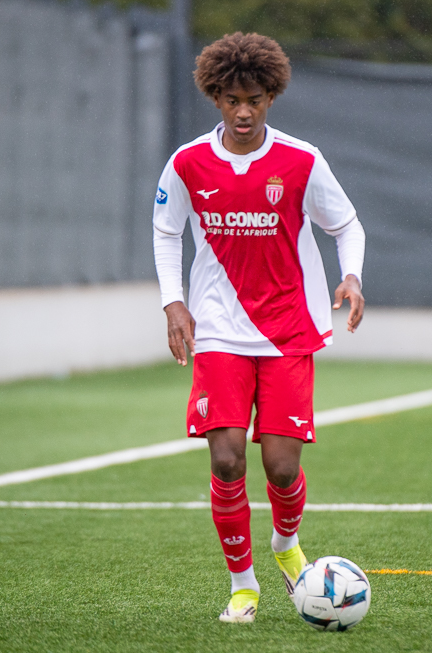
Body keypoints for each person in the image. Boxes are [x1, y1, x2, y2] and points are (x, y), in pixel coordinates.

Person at [153, 33, 366, 623]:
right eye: (230, 99)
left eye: (255, 99)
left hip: (288, 332)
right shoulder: (188, 162)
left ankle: (285, 544)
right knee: (225, 461)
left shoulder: (301, 160)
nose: (243, 111)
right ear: (214, 97)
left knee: (281, 466)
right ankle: (242, 585)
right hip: (219, 330)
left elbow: (347, 224)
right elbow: (167, 232)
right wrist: (174, 302)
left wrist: (351, 276)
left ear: (271, 96)